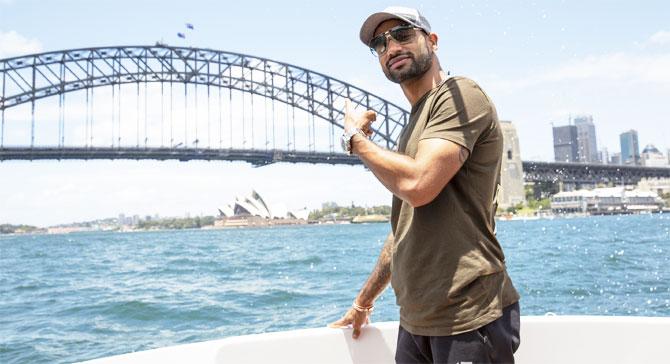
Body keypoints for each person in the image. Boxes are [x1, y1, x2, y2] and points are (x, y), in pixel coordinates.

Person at [328, 6, 521, 364]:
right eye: (380, 44)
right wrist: (363, 302)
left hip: (467, 318)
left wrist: (354, 137)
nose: (391, 48)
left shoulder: (460, 94)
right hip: (417, 321)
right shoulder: (414, 123)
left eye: (403, 35)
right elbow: (404, 229)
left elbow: (419, 184)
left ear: (431, 40)